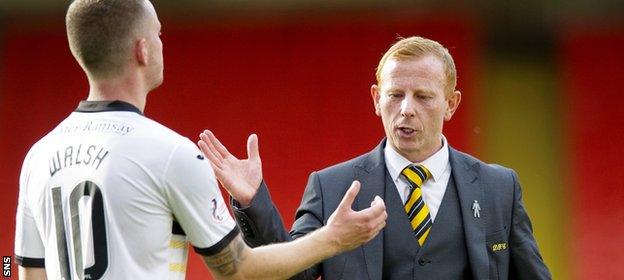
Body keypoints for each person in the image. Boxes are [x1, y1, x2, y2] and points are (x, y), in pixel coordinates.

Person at [13, 1, 388, 279]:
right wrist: (332, 239)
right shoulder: (169, 153)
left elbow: (19, 267)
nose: (162, 43)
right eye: (158, 34)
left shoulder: (38, 156)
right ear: (142, 50)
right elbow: (237, 268)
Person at [198, 36, 552, 279]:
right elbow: (292, 273)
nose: (407, 109)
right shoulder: (331, 185)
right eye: (395, 94)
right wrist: (252, 201)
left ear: (451, 104)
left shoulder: (498, 188)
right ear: (375, 99)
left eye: (423, 97)